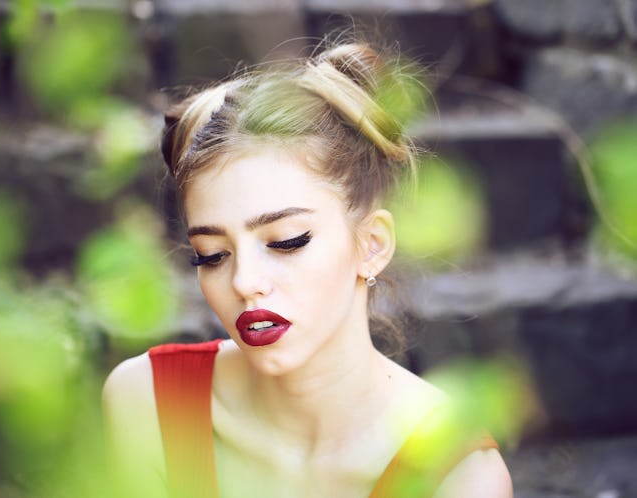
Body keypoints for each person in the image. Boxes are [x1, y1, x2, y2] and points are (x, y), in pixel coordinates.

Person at [103, 41, 513, 498]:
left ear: (371, 245)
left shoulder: (457, 476)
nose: (244, 283)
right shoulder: (149, 403)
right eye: (212, 255)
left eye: (286, 242)